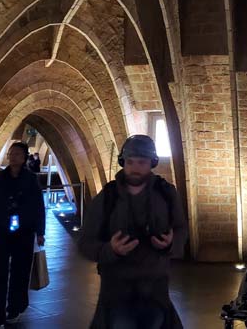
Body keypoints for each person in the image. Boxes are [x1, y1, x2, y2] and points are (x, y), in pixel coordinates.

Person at [78, 135, 187, 329]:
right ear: (123, 162)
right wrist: (110, 249)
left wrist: (171, 243)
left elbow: (180, 229)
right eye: (130, 162)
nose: (135, 168)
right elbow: (85, 243)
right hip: (116, 289)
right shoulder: (108, 197)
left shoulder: (166, 193)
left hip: (155, 288)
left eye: (141, 162)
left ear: (152, 163)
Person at [0, 141, 45, 328]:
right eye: (11, 153)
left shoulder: (31, 179)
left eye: (17, 153)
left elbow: (38, 206)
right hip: (1, 230)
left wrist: (40, 231)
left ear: (24, 157)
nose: (13, 156)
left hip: (24, 231)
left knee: (20, 271)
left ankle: (15, 307)